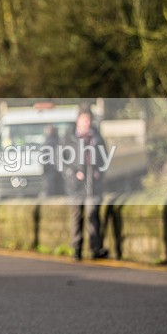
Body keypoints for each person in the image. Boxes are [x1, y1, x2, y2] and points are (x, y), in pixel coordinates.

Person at [63, 105, 109, 261]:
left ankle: (95, 248)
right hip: (75, 185)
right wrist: (74, 173)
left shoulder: (97, 137)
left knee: (92, 214)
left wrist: (98, 172)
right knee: (77, 217)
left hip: (93, 184)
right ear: (78, 120)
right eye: (84, 119)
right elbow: (63, 161)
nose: (86, 123)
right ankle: (76, 248)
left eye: (88, 119)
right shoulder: (69, 138)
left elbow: (104, 159)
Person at [40, 124, 65, 197]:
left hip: (50, 171)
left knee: (51, 192)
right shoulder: (60, 141)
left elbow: (44, 159)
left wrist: (45, 169)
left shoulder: (47, 143)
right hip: (59, 171)